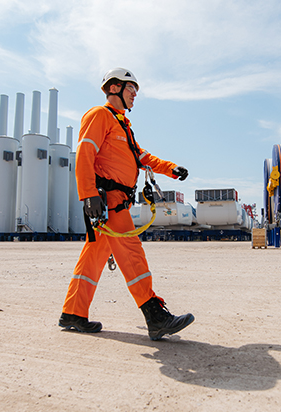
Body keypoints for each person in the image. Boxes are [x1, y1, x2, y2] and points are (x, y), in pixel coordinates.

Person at [59, 68, 194, 341]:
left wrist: (171, 168)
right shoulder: (100, 115)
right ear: (115, 87)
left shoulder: (123, 127)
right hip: (108, 202)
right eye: (132, 89)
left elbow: (142, 156)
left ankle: (73, 312)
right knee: (132, 254)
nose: (135, 95)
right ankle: (155, 316)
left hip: (114, 202)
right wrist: (88, 196)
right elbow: (85, 154)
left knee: (93, 258)